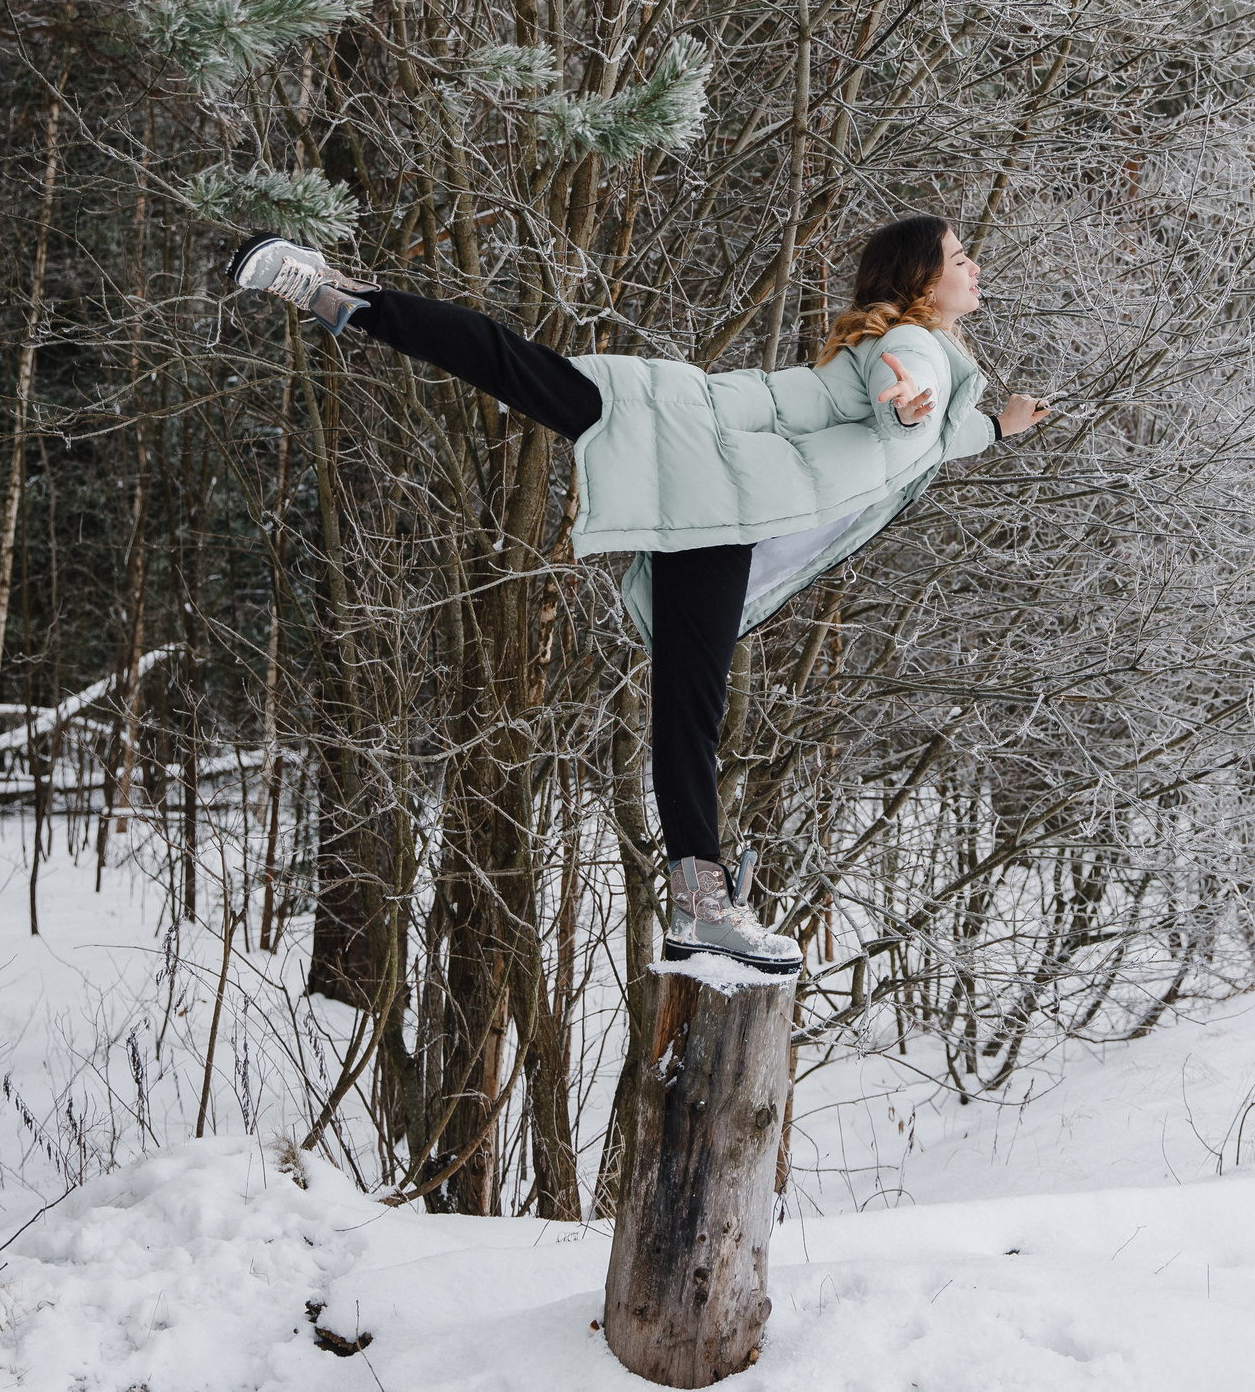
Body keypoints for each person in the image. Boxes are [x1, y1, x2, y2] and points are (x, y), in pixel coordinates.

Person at [231, 215, 1050, 978]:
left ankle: (702, 901)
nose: (974, 267)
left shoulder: (925, 355)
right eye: (959, 258)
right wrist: (905, 402)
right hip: (707, 462)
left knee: (689, 700)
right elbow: (906, 400)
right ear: (920, 283)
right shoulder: (915, 345)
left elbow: (935, 434)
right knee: (520, 374)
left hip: (720, 492)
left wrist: (998, 428)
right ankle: (335, 292)